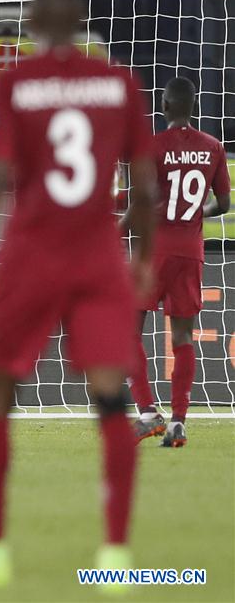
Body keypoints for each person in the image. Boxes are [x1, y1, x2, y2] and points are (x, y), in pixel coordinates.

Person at [0, 0, 157, 589]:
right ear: (83, 20)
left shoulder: (13, 84)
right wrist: (140, 258)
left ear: (33, 21)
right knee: (111, 399)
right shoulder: (120, 85)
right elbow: (143, 189)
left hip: (31, 256)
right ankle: (115, 556)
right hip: (98, 256)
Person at [122, 76, 231, 448]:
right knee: (183, 336)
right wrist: (197, 214)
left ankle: (149, 414)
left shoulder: (153, 146)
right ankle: (179, 422)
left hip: (154, 249)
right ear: (194, 107)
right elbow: (225, 205)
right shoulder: (213, 147)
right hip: (191, 250)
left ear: (165, 106)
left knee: (128, 329)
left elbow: (140, 202)